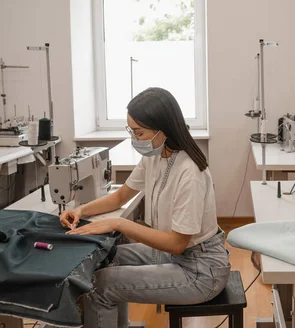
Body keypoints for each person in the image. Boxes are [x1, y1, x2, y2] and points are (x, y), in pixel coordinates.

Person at [60, 87, 230, 328]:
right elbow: (120, 197)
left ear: (163, 130)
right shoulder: (155, 155)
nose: (135, 139)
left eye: (139, 133)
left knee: (100, 286)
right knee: (105, 256)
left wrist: (119, 223)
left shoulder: (189, 172)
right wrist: (80, 211)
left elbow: (176, 244)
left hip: (201, 271)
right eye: (132, 131)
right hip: (180, 257)